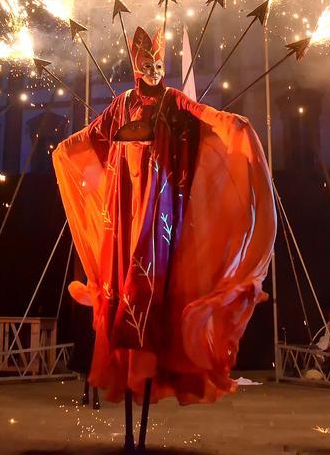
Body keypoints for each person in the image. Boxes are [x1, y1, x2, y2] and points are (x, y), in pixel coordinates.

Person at [53, 26, 275, 423]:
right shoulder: (121, 104)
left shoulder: (174, 99)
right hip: (125, 204)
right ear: (136, 68)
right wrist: (66, 149)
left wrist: (233, 124)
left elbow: (206, 115)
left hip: (161, 205)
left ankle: (157, 353)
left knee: (152, 277)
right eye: (147, 65)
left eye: (159, 64)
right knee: (124, 276)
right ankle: (128, 374)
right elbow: (94, 134)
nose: (155, 71)